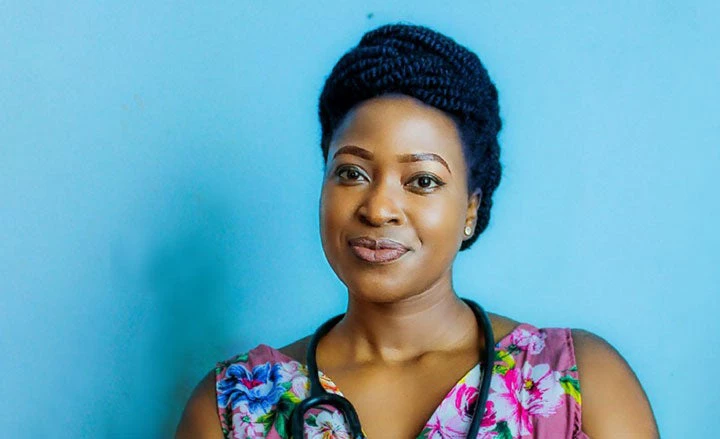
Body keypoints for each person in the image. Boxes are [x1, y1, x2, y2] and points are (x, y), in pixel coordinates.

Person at [176, 24, 658, 438]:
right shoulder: (232, 409)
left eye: (423, 181)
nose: (378, 208)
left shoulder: (582, 384)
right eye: (352, 173)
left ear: (471, 209)